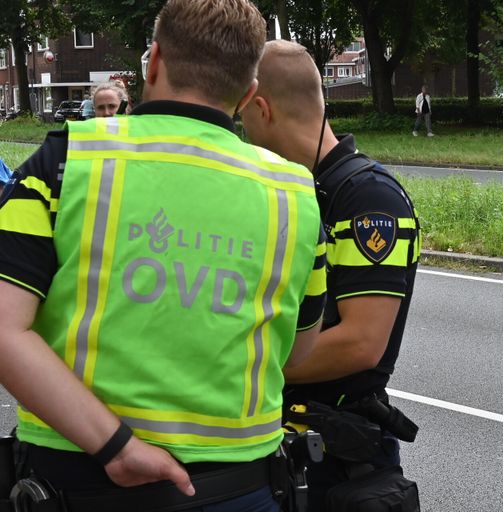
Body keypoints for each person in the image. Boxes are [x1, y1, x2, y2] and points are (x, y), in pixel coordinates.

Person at [0, 1, 327, 511]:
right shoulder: (296, 192)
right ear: (248, 95)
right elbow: (298, 353)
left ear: (152, 62)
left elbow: (3, 330)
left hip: (81, 483)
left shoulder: (67, 160)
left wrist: (119, 447)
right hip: (244, 489)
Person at [241, 40, 421, 511]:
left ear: (261, 108)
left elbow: (361, 342)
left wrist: (239, 369)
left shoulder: (368, 200)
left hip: (340, 458)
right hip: (278, 441)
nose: (241, 135)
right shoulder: (288, 192)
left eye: (241, 119)